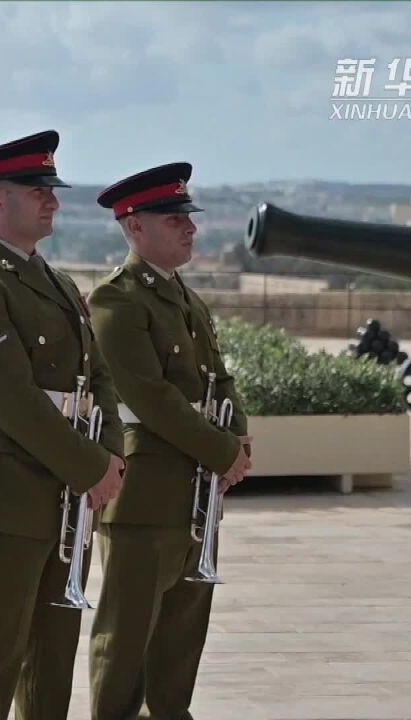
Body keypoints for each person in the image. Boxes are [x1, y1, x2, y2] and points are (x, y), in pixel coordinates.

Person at [0, 129, 126, 720]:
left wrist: (112, 454)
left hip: (68, 484)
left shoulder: (59, 283)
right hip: (4, 485)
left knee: (53, 645)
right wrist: (91, 466)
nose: (53, 199)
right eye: (36, 188)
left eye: (52, 187)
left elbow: (99, 378)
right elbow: (11, 397)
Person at [85, 162, 253, 720]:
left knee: (180, 650)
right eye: (174, 217)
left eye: (188, 216)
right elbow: (151, 398)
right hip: (146, 495)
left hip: (194, 498)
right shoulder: (118, 300)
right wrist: (225, 453)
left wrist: (239, 440)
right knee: (126, 645)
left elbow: (220, 380)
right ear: (134, 228)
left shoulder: (186, 300)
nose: (190, 227)